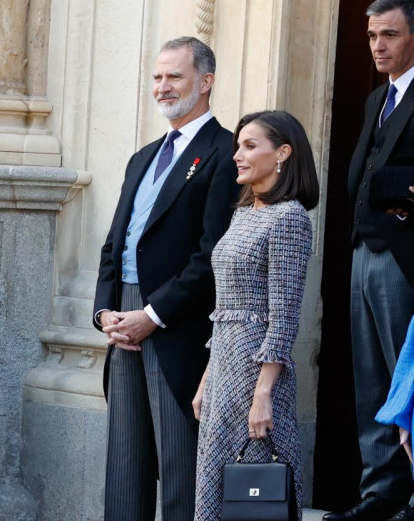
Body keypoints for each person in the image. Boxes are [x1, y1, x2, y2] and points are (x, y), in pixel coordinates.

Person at [93, 37, 239, 521]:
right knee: (125, 466)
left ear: (205, 81)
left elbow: (212, 254)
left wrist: (152, 316)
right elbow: (115, 244)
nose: (162, 86)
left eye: (174, 76)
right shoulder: (143, 156)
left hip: (177, 325)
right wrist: (105, 313)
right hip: (124, 321)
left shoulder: (225, 152)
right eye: (157, 77)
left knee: (181, 471)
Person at [192, 110, 318, 520]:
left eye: (249, 146)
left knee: (255, 493)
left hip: (257, 374)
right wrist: (207, 379)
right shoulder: (244, 213)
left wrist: (263, 394)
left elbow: (284, 317)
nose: (237, 155)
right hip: (224, 370)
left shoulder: (290, 218)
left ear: (282, 153)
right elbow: (224, 309)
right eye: (238, 146)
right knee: (216, 490)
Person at [329, 0, 414, 520]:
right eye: (372, 36)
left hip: (404, 256)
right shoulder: (376, 99)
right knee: (372, 379)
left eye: (390, 35)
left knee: (410, 379)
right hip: (363, 249)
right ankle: (380, 493)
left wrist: (393, 190)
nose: (378, 46)